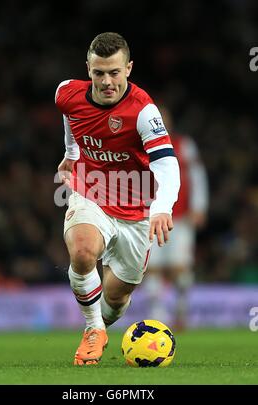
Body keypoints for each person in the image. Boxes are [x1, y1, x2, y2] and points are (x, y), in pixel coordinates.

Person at [55, 32, 180, 365]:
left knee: (115, 297)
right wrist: (70, 153)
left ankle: (102, 322)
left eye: (114, 72)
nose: (106, 81)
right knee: (82, 252)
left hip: (136, 210)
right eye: (98, 73)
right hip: (89, 191)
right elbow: (70, 118)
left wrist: (161, 208)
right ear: (88, 69)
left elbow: (167, 163)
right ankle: (94, 329)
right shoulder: (67, 93)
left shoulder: (143, 111)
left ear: (128, 69)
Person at [144, 106, 209, 331]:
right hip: (149, 217)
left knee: (180, 267)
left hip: (179, 217)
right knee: (152, 267)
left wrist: (199, 206)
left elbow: (197, 176)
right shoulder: (140, 146)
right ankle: (157, 314)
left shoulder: (184, 144)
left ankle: (181, 310)